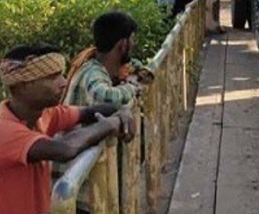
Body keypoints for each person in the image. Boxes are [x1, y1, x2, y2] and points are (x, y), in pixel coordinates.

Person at [0, 44, 134, 214]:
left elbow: (89, 111)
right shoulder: (4, 128)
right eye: (52, 77)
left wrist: (122, 111)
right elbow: (64, 149)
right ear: (22, 86)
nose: (64, 82)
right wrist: (110, 124)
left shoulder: (44, 114)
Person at [58, 12, 151, 213]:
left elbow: (147, 75)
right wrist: (132, 88)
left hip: (87, 179)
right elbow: (106, 97)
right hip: (79, 182)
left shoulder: (101, 66)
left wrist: (131, 73)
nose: (133, 46)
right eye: (132, 40)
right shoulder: (92, 72)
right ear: (123, 45)